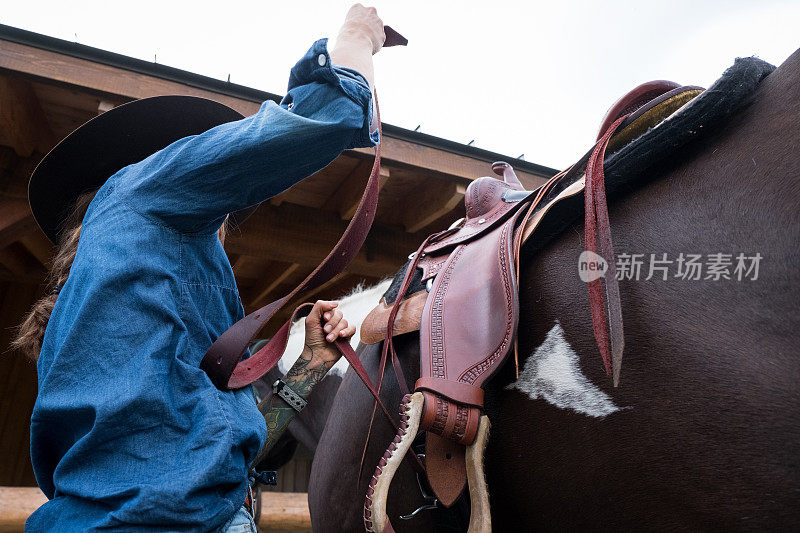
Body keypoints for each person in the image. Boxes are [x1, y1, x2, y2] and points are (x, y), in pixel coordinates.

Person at [13, 5, 387, 531]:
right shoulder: (141, 189)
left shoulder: (105, 311)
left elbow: (221, 456)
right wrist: (354, 43)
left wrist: (308, 368)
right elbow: (329, 114)